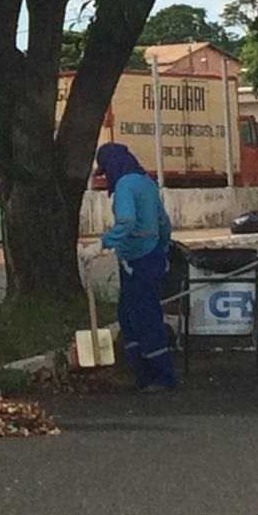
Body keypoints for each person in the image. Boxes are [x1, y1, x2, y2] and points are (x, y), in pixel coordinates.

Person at [80, 142, 177, 393]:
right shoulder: (147, 182)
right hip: (151, 255)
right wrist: (163, 249)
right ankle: (145, 373)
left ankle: (157, 375)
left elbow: (125, 222)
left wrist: (101, 244)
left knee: (140, 316)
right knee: (134, 312)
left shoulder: (124, 186)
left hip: (138, 260)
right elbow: (163, 222)